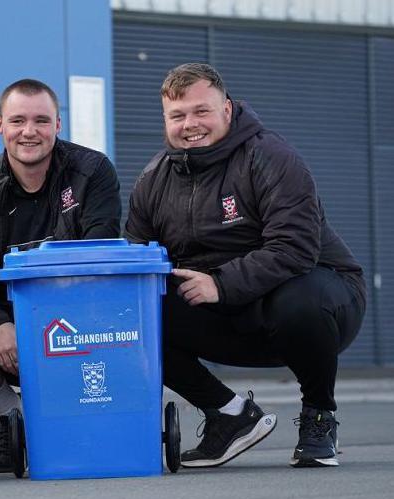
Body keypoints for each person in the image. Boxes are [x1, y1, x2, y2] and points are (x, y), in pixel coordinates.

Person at [125, 63, 365, 468]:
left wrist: (220, 284)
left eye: (202, 111)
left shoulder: (271, 156)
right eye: (178, 115)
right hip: (230, 313)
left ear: (228, 110)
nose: (190, 124)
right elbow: (138, 257)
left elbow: (296, 247)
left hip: (316, 302)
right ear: (165, 119)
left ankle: (319, 415)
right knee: (137, 312)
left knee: (301, 298)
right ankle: (229, 414)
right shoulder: (153, 179)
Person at [0, 79, 122, 473]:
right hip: (11, 328)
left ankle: (83, 420)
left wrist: (50, 325)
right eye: (17, 120)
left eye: (41, 120)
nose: (29, 131)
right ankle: (18, 421)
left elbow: (96, 256)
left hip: (81, 319)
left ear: (58, 125)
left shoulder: (93, 171)